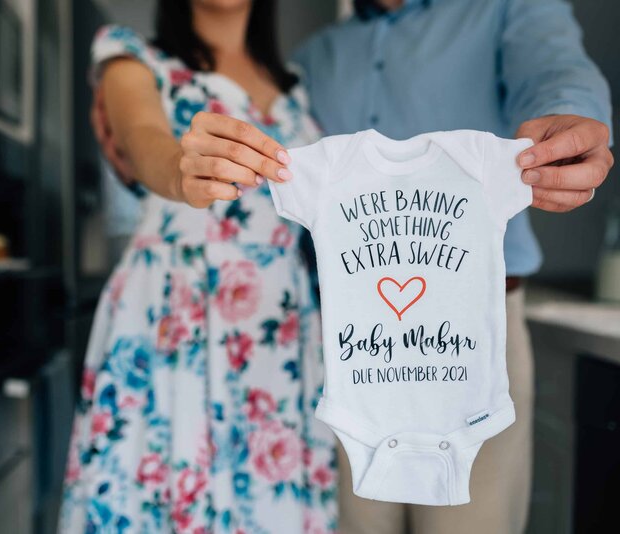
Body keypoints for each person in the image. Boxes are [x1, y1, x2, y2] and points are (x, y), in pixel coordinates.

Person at [290, 0, 612, 532]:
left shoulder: (506, 9)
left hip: (471, 337)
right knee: (356, 524)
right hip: (352, 345)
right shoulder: (313, 58)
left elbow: (556, 68)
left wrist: (574, 120)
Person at [59, 1, 338, 532]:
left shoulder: (297, 87)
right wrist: (181, 172)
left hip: (278, 326)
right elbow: (144, 138)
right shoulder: (133, 57)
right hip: (175, 310)